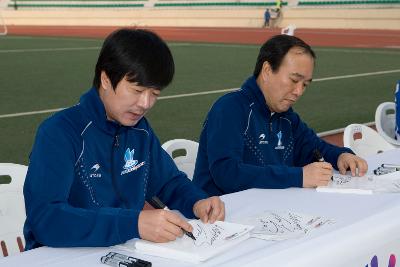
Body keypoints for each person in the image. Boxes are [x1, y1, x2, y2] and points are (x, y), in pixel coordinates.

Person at [23, 28, 225, 250]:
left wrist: (197, 201)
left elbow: (169, 182)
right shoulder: (59, 132)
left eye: (154, 94)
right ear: (106, 79)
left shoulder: (140, 130)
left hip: (125, 249)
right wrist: (133, 224)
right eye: (137, 90)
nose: (145, 104)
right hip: (58, 256)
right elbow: (46, 219)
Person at [192, 34, 368, 196]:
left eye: (305, 84)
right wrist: (298, 176)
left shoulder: (287, 117)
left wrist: (341, 156)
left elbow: (314, 148)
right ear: (267, 71)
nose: (299, 91)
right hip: (221, 220)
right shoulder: (230, 108)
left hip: (270, 212)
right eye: (294, 80)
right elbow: (227, 173)